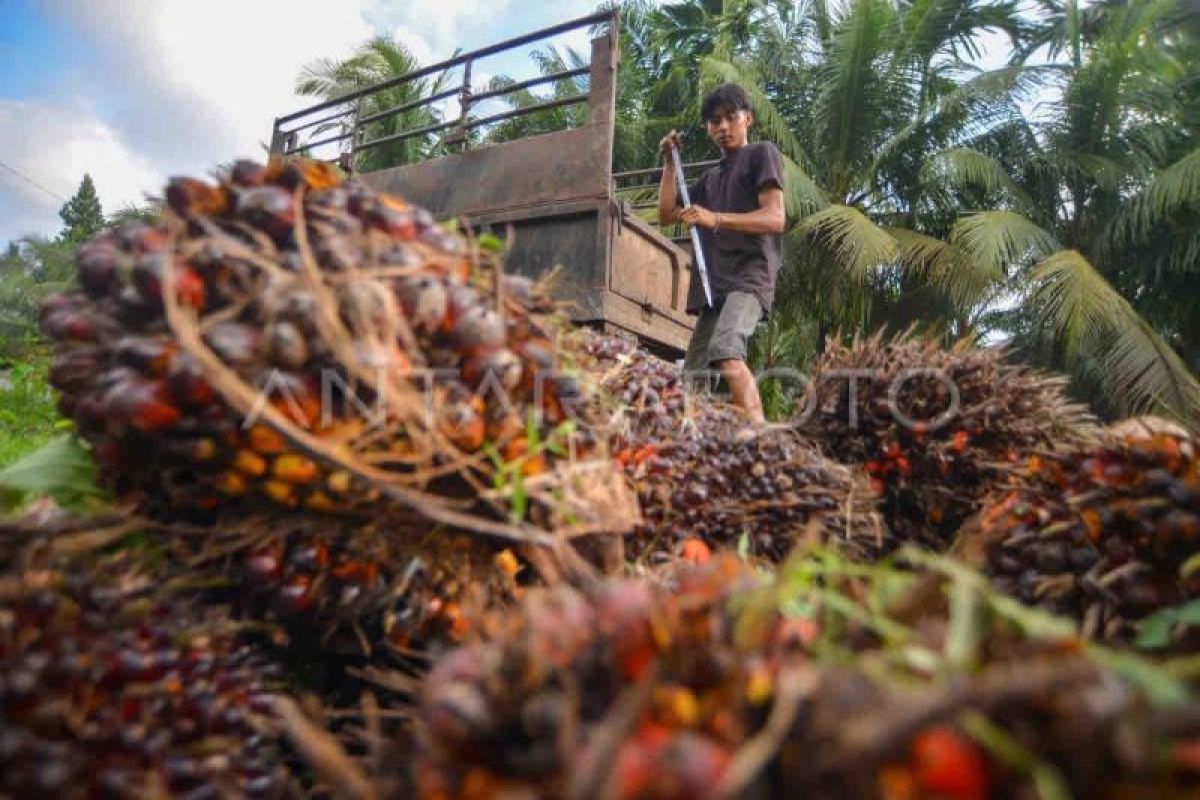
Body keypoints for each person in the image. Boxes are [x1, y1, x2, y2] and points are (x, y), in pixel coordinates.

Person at [657, 83, 786, 424]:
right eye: (715, 121)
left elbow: (775, 217)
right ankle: (696, 447)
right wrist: (670, 163)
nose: (723, 127)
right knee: (693, 379)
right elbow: (667, 214)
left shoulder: (762, 153)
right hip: (714, 289)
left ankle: (761, 439)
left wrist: (715, 218)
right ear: (707, 128)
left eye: (731, 117)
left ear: (748, 119)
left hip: (748, 278)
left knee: (726, 350)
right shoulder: (709, 179)